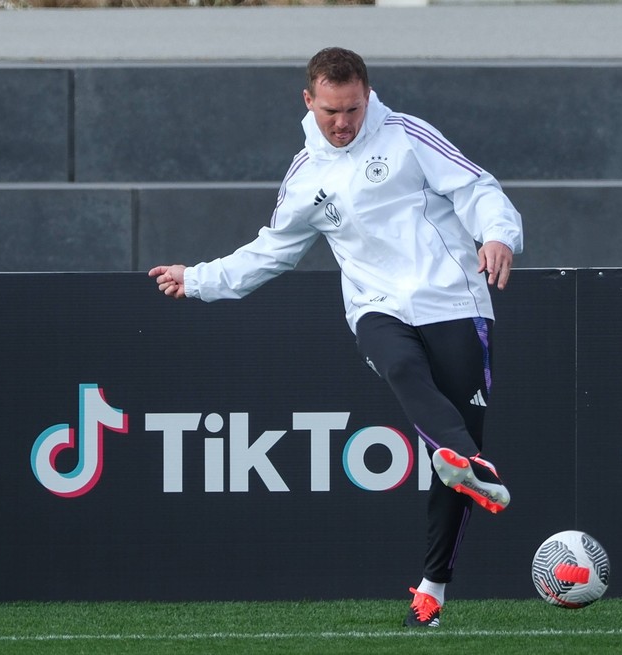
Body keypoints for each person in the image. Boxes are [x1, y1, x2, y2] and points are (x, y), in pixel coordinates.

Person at [149, 46, 523, 628]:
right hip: (375, 307)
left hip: (453, 298)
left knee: (451, 465)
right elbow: (271, 252)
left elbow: (477, 188)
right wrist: (196, 279)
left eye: (351, 109)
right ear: (309, 102)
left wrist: (497, 234)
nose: (343, 122)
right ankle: (464, 458)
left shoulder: (407, 136)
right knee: (401, 368)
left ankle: (433, 585)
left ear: (367, 95)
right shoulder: (306, 177)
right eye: (330, 111)